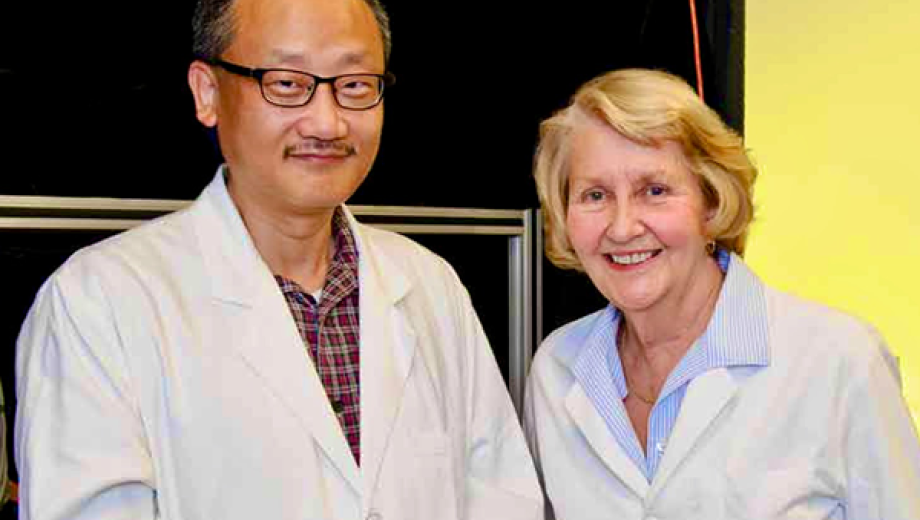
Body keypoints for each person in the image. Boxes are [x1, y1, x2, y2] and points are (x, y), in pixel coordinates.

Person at [14, 0, 543, 518]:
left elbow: (501, 496)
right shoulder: (97, 301)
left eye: (355, 85)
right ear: (207, 92)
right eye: (287, 83)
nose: (327, 123)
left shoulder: (430, 284)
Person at [524, 68, 920, 519]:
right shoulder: (557, 370)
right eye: (595, 195)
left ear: (712, 202)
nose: (622, 227)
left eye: (654, 190)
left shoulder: (840, 361)